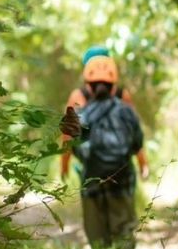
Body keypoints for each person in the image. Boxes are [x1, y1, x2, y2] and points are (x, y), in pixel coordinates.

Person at [60, 54, 145, 249]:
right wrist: (140, 164)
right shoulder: (126, 111)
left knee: (98, 240)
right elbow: (137, 143)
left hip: (91, 182)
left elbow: (69, 144)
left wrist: (64, 167)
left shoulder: (81, 114)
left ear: (88, 87)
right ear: (114, 87)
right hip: (122, 180)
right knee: (124, 232)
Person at [60, 46, 147, 185]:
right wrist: (143, 164)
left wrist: (64, 167)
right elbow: (134, 130)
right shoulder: (122, 95)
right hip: (121, 168)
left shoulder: (78, 96)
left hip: (91, 168)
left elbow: (67, 137)